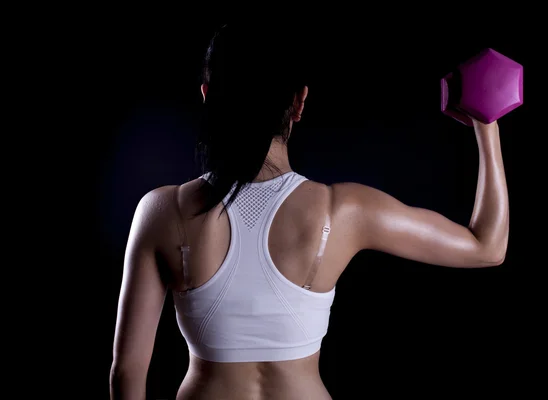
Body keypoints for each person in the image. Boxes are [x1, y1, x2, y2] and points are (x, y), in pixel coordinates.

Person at [110, 22, 509, 400]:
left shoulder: (162, 212)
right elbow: (486, 246)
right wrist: (485, 123)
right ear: (298, 102)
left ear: (207, 96)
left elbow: (127, 372)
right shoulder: (343, 212)